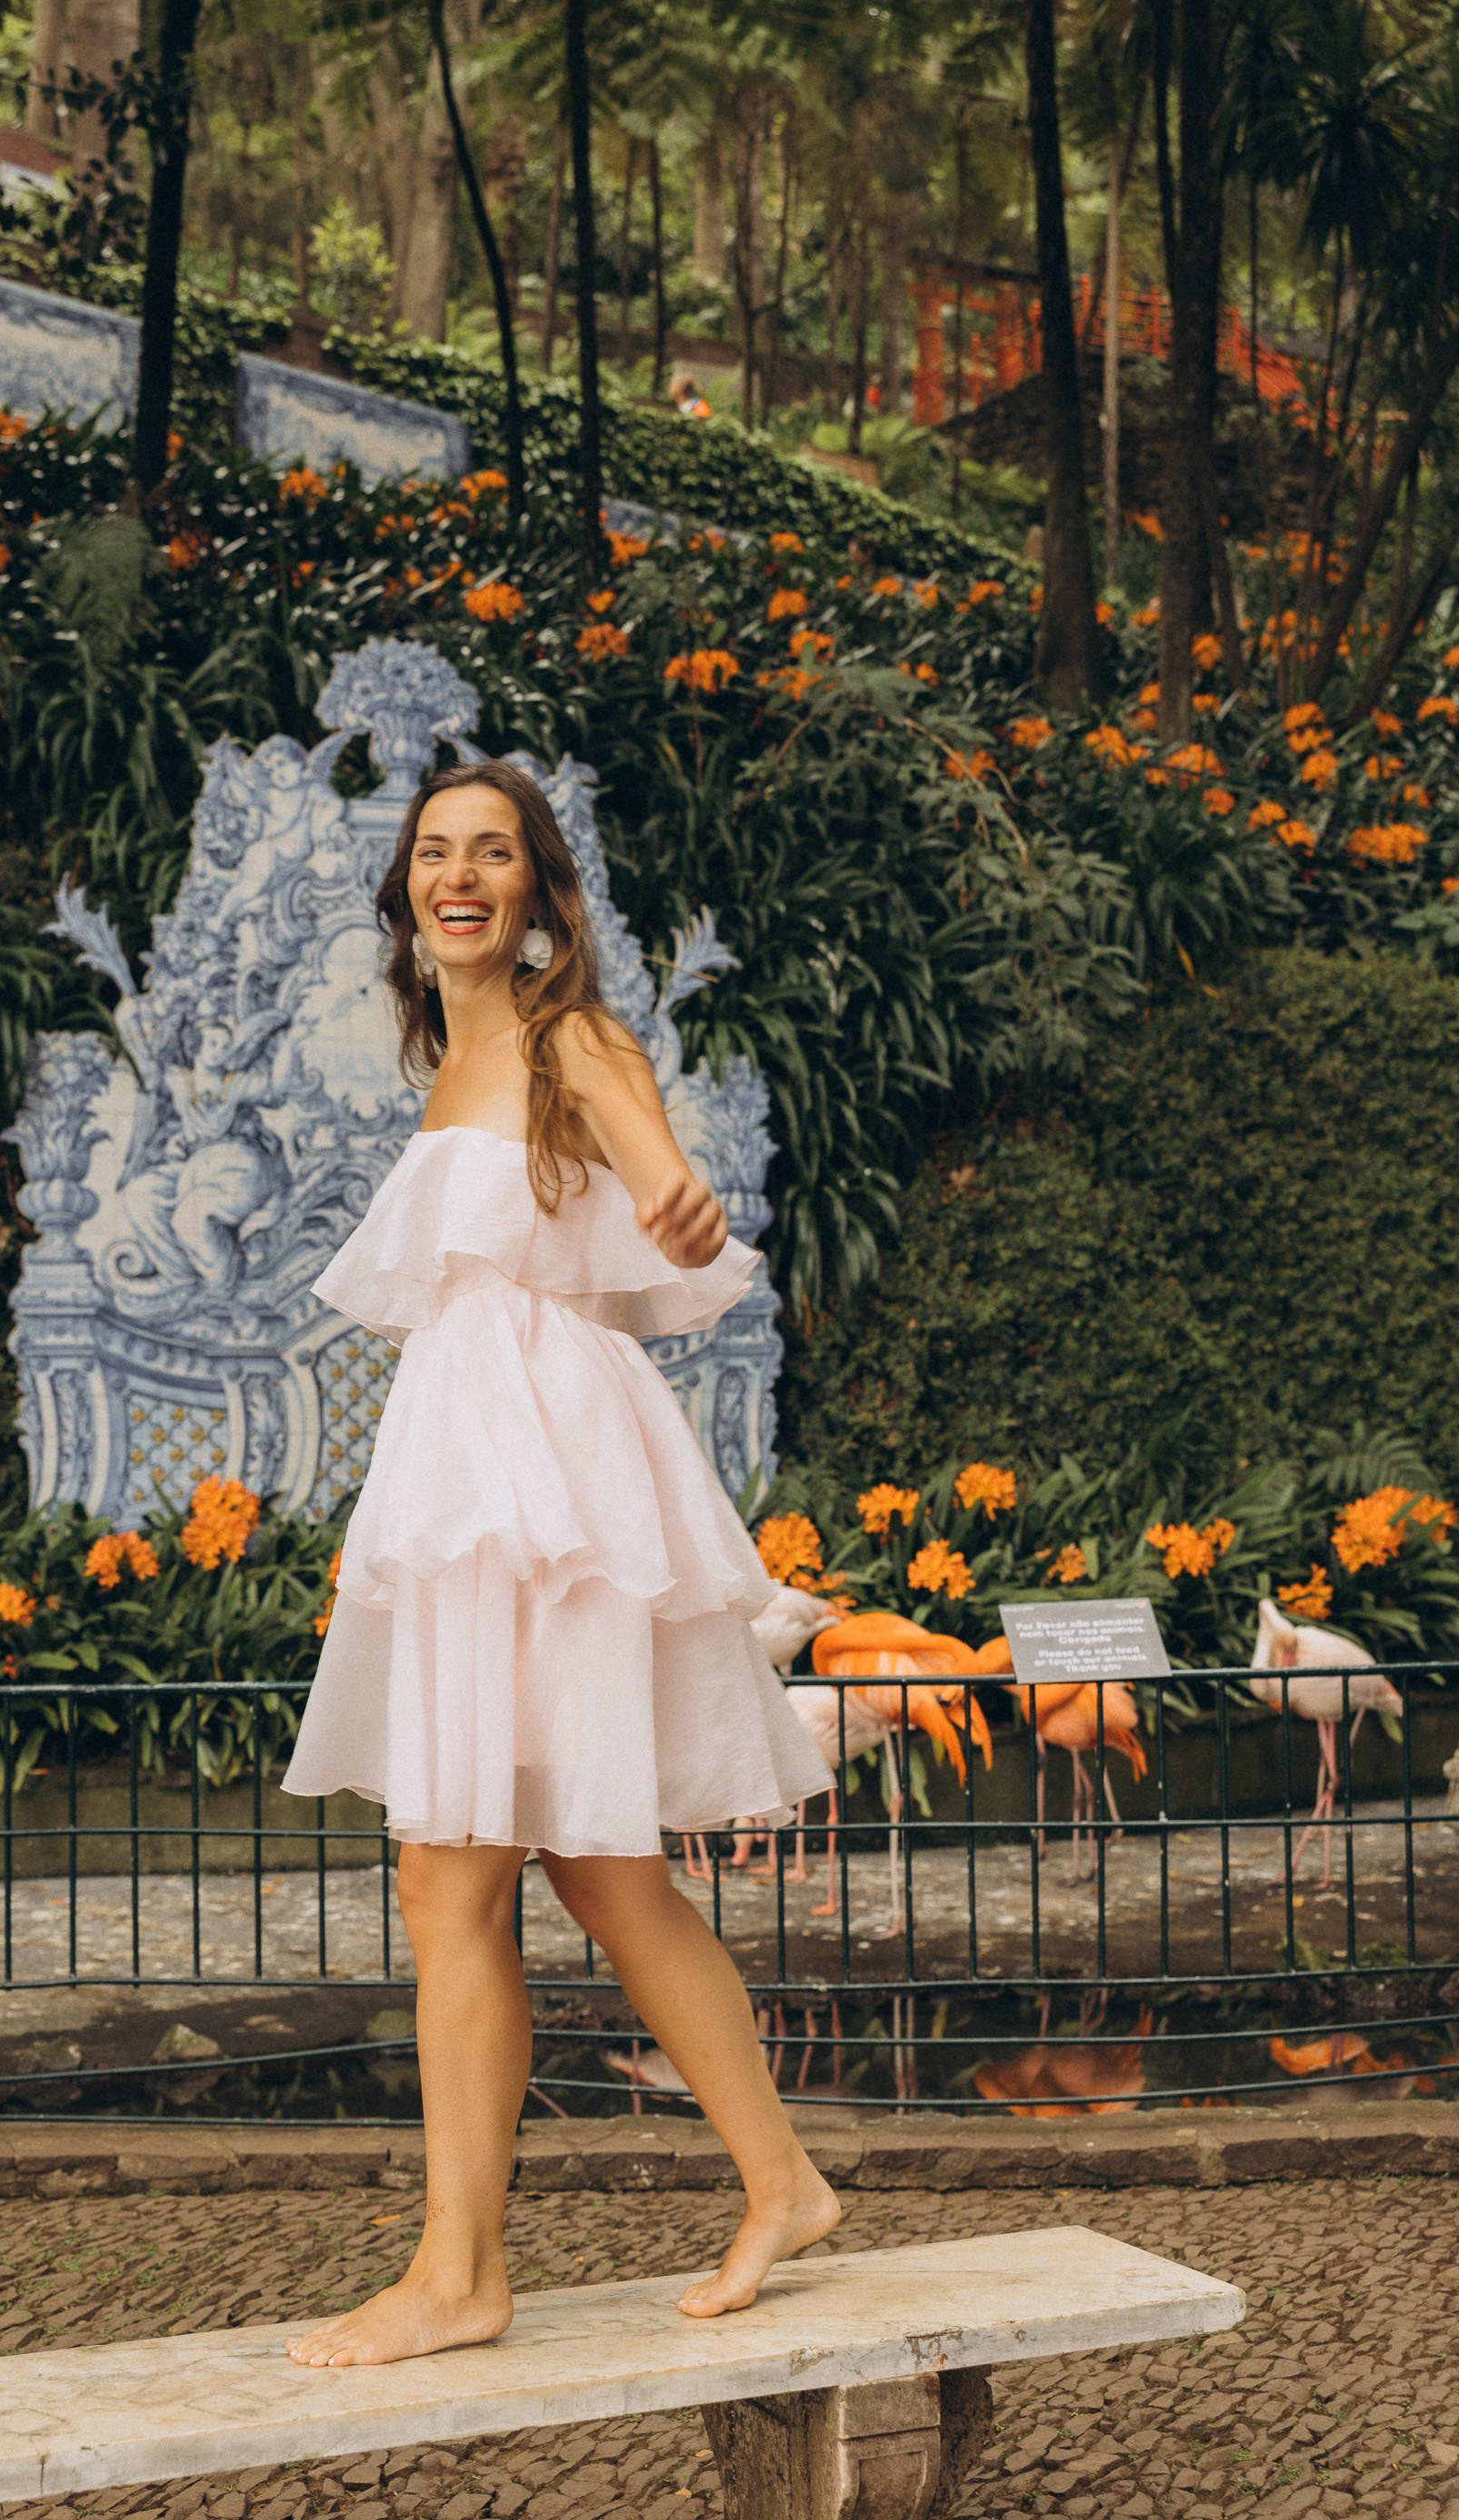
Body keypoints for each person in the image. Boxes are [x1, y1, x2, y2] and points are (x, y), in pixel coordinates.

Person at [281, 760, 837, 2371]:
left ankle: (459, 2275)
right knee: (594, 1870)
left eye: (496, 852)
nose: (463, 874)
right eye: (436, 853)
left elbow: (648, 1155)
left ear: (539, 890)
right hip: (479, 1475)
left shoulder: (562, 1030)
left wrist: (671, 1194)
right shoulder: (450, 1057)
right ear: (408, 894)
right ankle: (784, 2181)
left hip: (548, 1477)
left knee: (453, 1872)